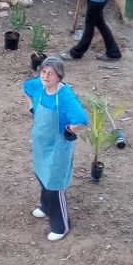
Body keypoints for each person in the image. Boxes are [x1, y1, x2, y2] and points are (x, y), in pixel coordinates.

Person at [23, 57, 88, 241]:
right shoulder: (37, 85)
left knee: (54, 183)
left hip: (58, 146)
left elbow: (81, 120)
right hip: (41, 143)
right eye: (44, 72)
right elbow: (25, 88)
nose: (46, 76)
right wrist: (32, 108)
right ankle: (46, 206)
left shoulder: (66, 97)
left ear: (59, 76)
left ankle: (61, 225)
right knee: (42, 174)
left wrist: (68, 129)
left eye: (50, 73)